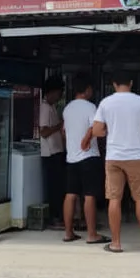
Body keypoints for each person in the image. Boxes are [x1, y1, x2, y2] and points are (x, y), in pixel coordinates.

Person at [92, 71, 140, 253]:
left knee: (114, 199)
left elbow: (97, 130)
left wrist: (111, 131)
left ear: (114, 84)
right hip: (135, 156)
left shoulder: (106, 103)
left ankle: (115, 243)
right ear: (131, 83)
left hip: (114, 156)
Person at [61, 75, 109, 245]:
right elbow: (95, 128)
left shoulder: (67, 109)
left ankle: (68, 233)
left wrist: (72, 146)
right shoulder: (90, 107)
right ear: (87, 89)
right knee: (89, 195)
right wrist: (87, 139)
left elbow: (64, 132)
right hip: (88, 157)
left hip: (71, 157)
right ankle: (91, 234)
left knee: (70, 194)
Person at [38, 75, 67, 228]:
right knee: (54, 188)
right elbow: (43, 132)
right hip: (50, 154)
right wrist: (59, 125)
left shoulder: (52, 107)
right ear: (52, 92)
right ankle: (55, 217)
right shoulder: (44, 107)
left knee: (59, 186)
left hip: (57, 151)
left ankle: (59, 216)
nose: (60, 96)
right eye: (59, 92)